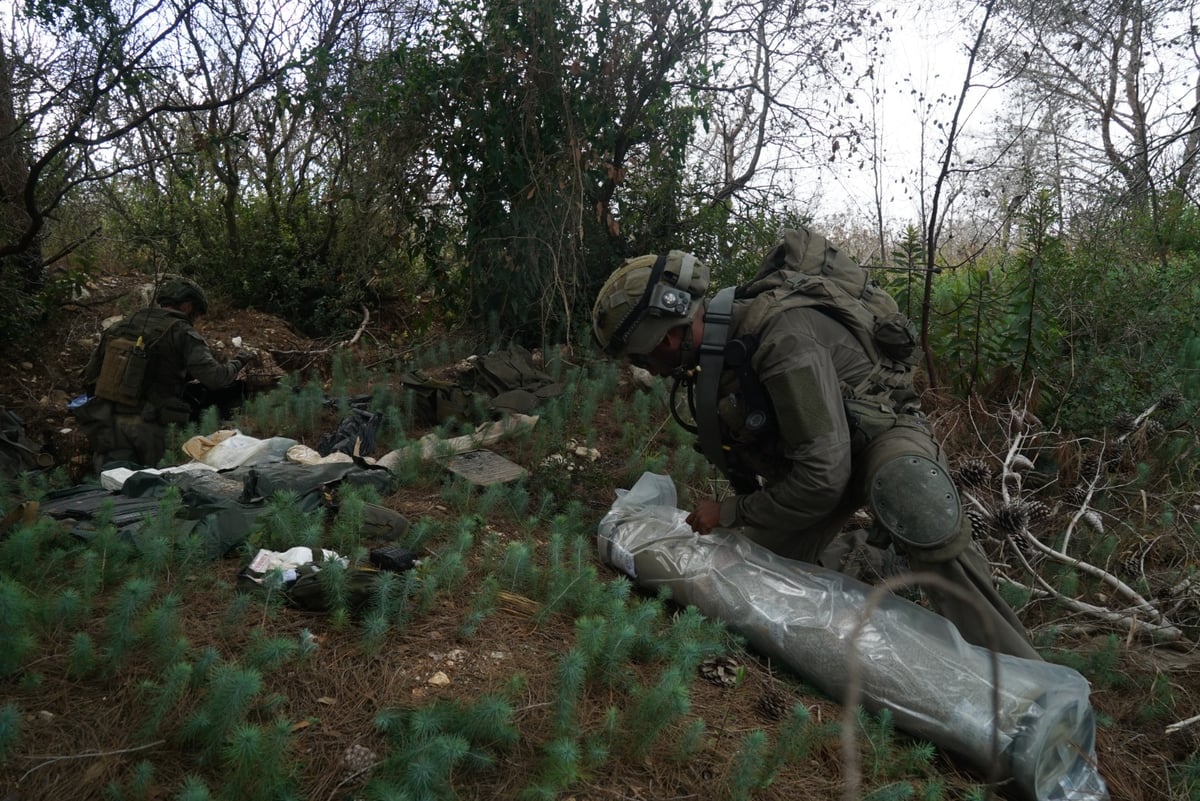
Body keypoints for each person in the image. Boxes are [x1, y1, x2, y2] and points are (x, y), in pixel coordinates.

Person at [591, 236, 1041, 660]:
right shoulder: (717, 353)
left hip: (880, 436)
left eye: (643, 358)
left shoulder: (782, 337)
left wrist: (732, 511)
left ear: (666, 338)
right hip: (821, 459)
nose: (649, 369)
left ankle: (1024, 675)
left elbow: (822, 479)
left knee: (913, 498)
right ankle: (874, 555)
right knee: (740, 577)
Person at [74, 276, 258, 472]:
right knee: (150, 491)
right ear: (187, 306)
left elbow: (91, 375)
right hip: (149, 429)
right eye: (196, 313)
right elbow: (216, 378)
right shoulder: (182, 333)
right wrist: (240, 360)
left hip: (107, 424)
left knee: (109, 489)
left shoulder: (121, 326)